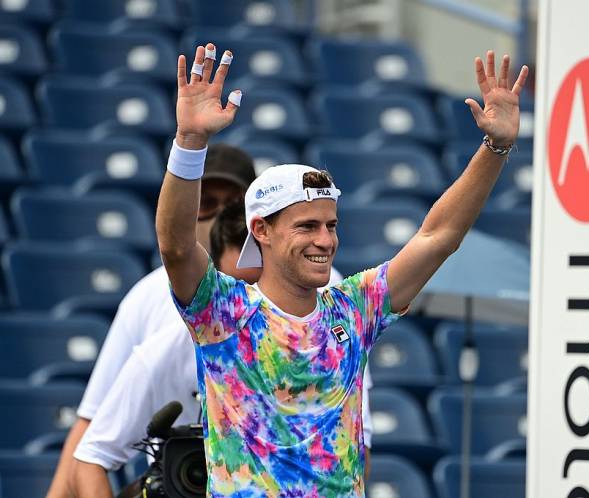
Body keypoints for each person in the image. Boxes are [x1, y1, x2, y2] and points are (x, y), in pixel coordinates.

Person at [157, 41, 528, 497]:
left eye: (331, 225)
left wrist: (496, 147)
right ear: (263, 231)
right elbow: (175, 246)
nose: (325, 240)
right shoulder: (223, 311)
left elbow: (438, 237)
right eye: (307, 226)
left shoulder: (354, 307)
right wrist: (190, 143)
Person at [45, 144, 256, 498]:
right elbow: (92, 439)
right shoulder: (155, 312)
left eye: (234, 205)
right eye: (205, 202)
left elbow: (354, 442)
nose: (220, 216)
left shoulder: (316, 301)